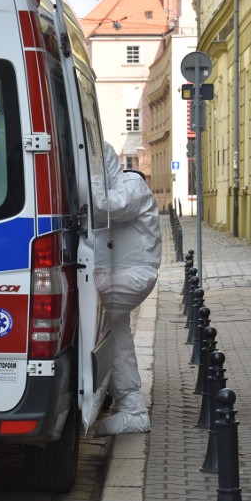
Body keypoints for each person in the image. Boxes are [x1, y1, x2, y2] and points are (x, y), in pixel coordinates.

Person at [94, 144, 161, 436]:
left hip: (133, 276)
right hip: (121, 274)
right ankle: (132, 409)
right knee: (115, 332)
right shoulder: (120, 187)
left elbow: (105, 206)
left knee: (86, 306)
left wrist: (83, 182)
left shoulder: (132, 185)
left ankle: (98, 396)